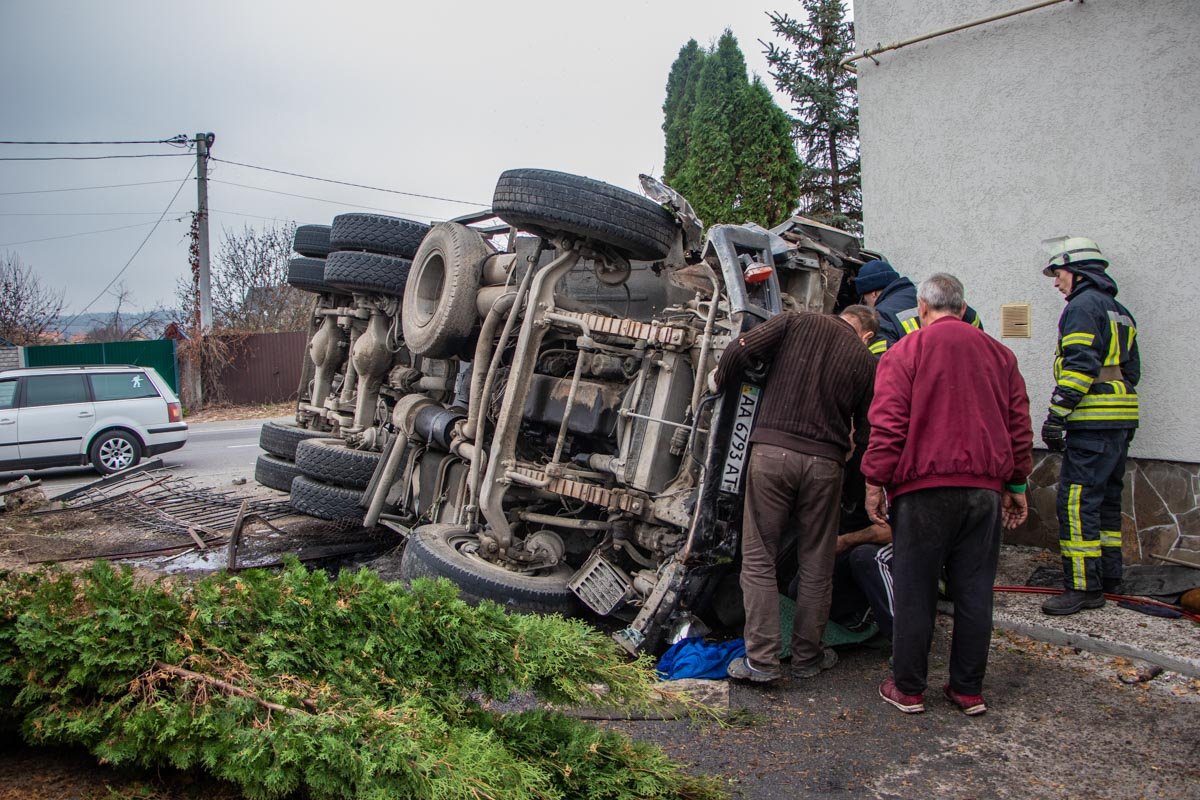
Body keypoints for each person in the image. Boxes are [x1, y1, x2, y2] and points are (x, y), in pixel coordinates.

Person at [862, 273, 1032, 716]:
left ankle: (909, 689)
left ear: (921, 307)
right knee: (975, 590)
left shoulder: (904, 352)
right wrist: (1016, 484)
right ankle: (967, 690)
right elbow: (1018, 425)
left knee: (916, 590)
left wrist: (874, 481)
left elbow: (888, 424)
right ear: (962, 305)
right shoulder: (1001, 355)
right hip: (984, 493)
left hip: (923, 493)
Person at [715, 310, 875, 683]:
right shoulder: (866, 360)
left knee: (759, 558)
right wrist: (855, 490)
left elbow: (740, 349)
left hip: (772, 454)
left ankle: (762, 662)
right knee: (817, 563)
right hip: (826, 464)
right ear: (865, 334)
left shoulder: (798, 320)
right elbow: (868, 435)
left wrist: (719, 381)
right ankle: (807, 658)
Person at [1037, 237, 1140, 616]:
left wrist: (1056, 416)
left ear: (1078, 273)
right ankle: (1109, 577)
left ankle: (1082, 587)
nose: (1055, 281)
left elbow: (1080, 365)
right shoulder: (1120, 311)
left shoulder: (1081, 308)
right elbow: (1133, 371)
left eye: (1058, 273)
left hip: (1092, 422)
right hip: (1121, 418)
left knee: (1077, 504)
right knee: (1107, 502)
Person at [854, 259, 983, 355]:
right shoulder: (937, 295)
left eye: (865, 300)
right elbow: (975, 327)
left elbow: (880, 362)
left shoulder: (881, 316)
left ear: (874, 294)